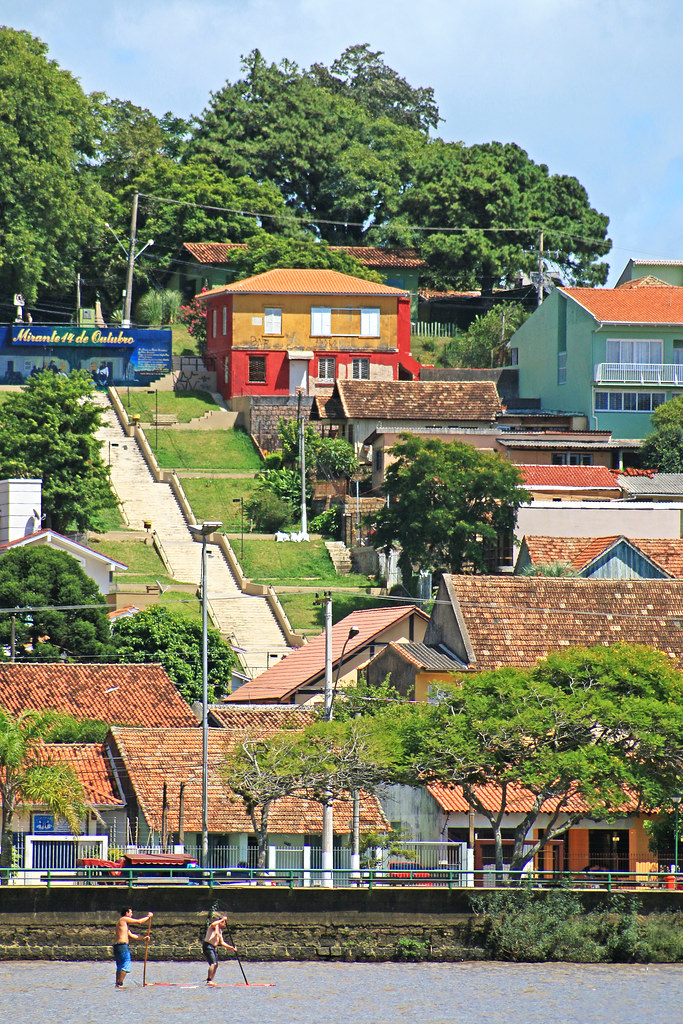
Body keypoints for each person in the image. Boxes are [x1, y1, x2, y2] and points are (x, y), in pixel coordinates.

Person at [113, 907, 153, 988]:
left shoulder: (123, 924)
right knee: (126, 963)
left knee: (120, 965)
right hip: (122, 946)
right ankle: (120, 984)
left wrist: (143, 938)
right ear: (127, 913)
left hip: (118, 946)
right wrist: (149, 917)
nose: (132, 914)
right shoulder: (123, 919)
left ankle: (117, 984)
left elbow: (132, 935)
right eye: (131, 913)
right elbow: (139, 922)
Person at [202, 914, 237, 986]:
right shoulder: (213, 927)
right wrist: (222, 919)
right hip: (208, 946)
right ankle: (209, 981)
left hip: (213, 947)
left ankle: (211, 980)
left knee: (216, 964)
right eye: (224, 922)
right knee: (213, 963)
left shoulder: (220, 931)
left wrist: (232, 948)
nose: (224, 924)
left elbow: (222, 942)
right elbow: (213, 924)